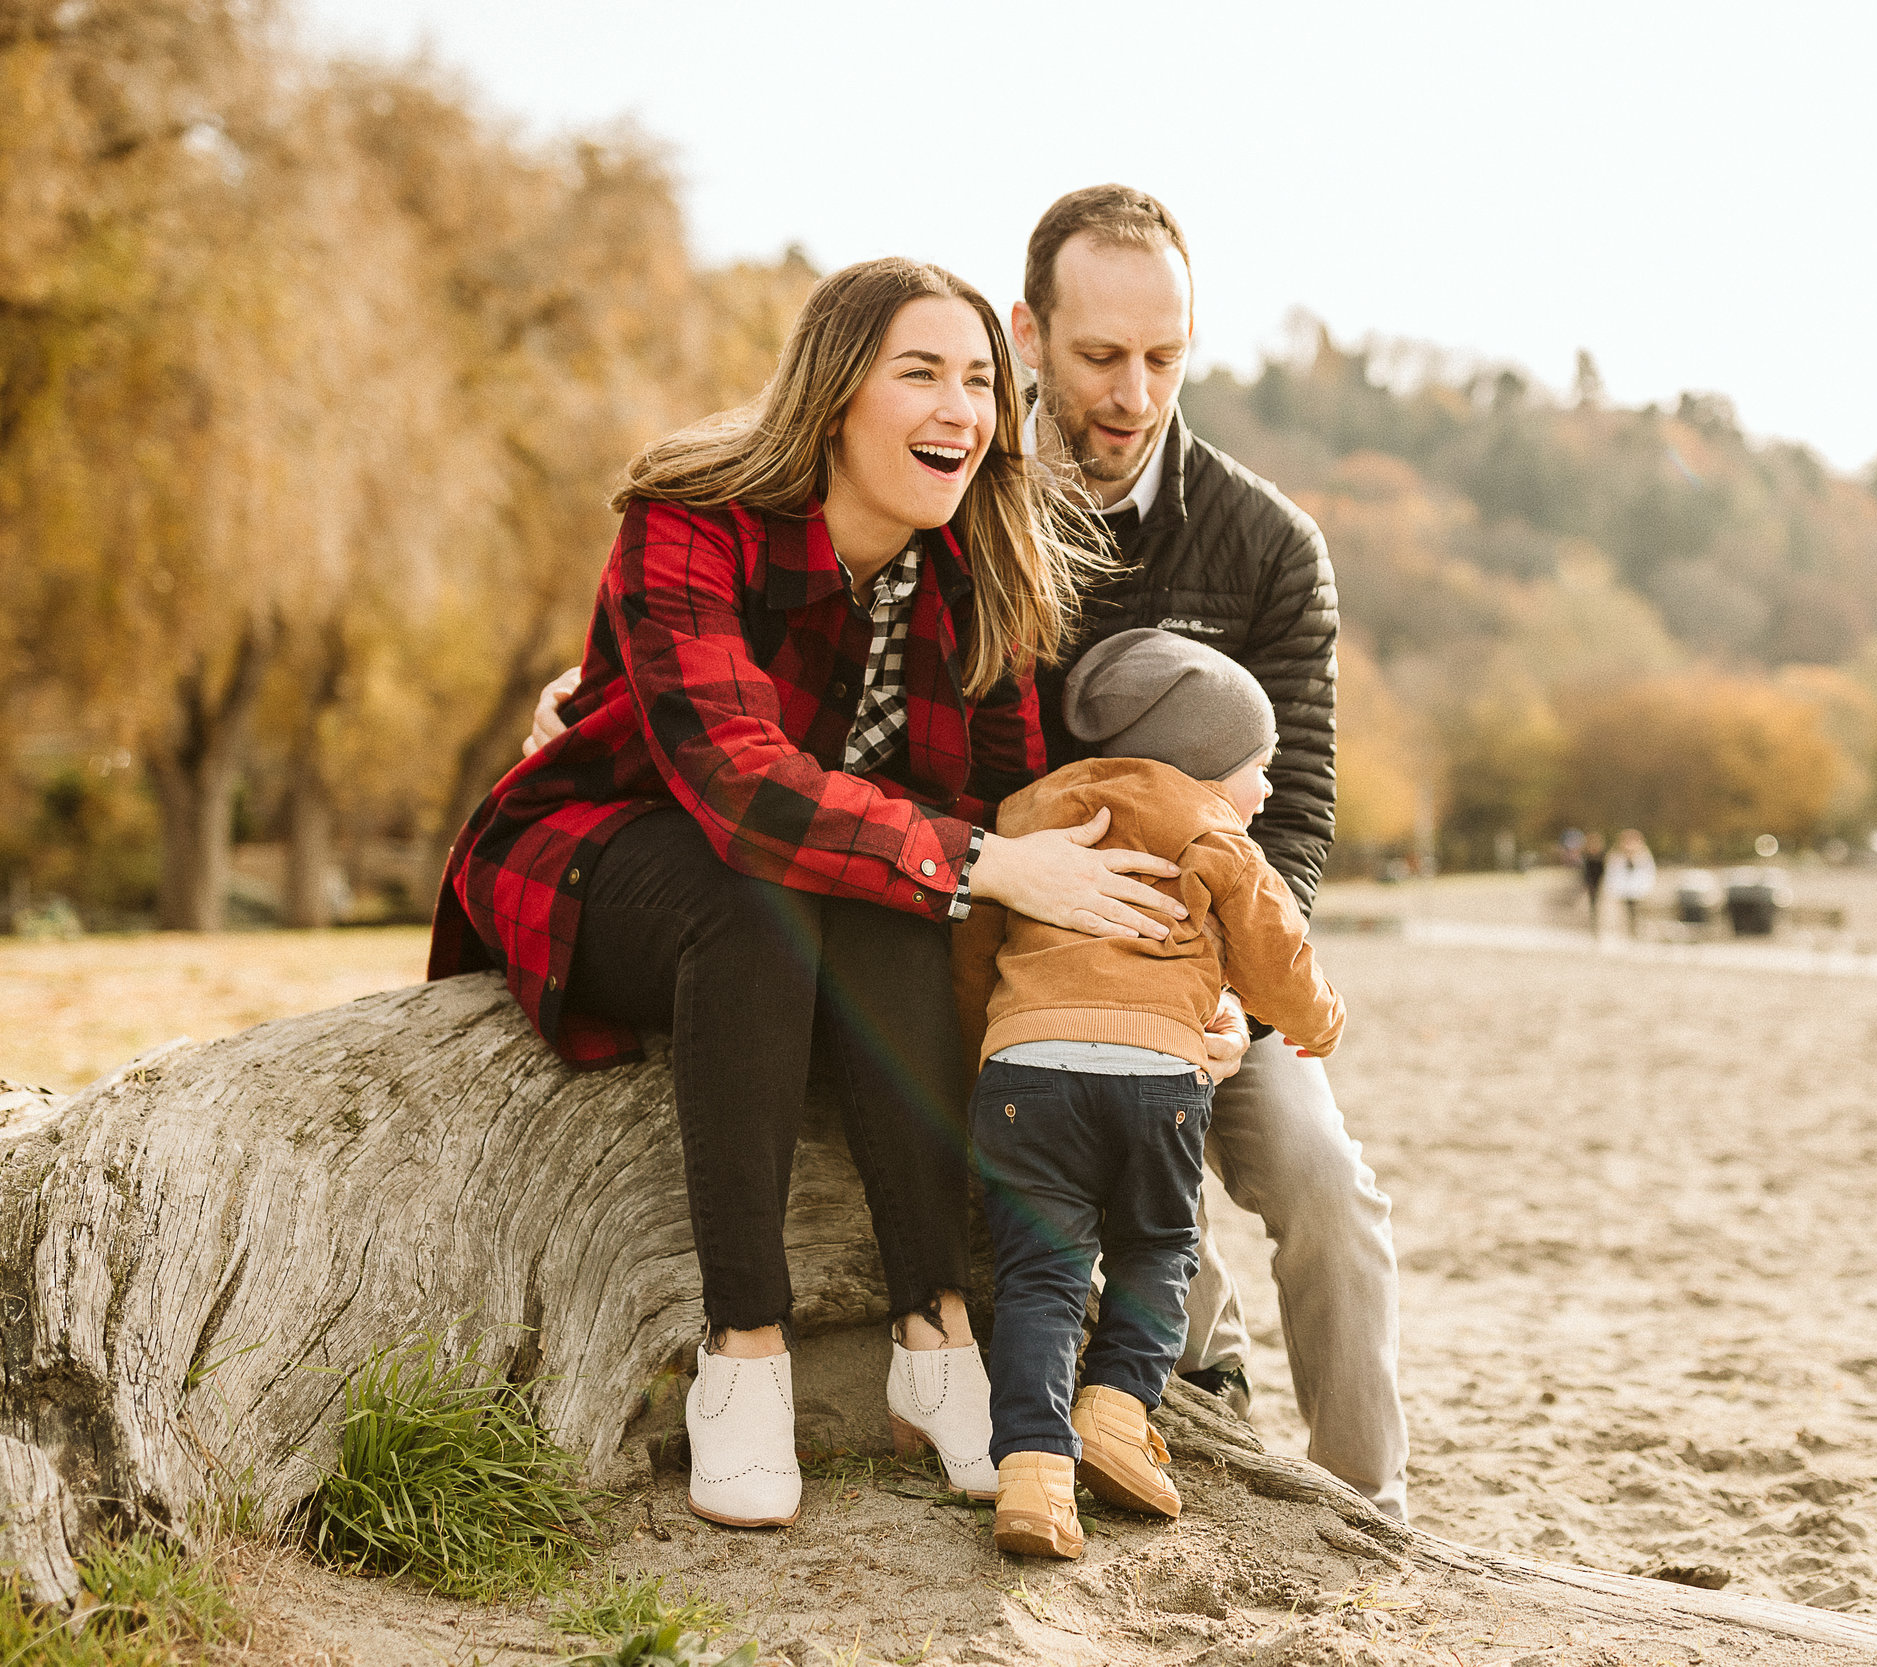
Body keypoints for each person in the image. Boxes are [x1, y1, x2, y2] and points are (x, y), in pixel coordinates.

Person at [527, 185, 1410, 1519]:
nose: (1132, 392)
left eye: (1164, 358)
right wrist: (614, 701)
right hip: (870, 891)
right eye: (1098, 356)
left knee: (1321, 1177)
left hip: (1182, 936)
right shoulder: (899, 509)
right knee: (930, 977)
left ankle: (1357, 1498)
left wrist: (1223, 972)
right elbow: (824, 774)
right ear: (1036, 334)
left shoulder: (1225, 546)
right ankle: (1114, 1374)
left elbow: (1268, 807)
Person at [429, 257, 1245, 1532]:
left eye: (979, 380)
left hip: (835, 888)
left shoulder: (984, 567)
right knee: (774, 883)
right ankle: (744, 1350)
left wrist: (1172, 986)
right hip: (613, 852)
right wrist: (976, 860)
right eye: (919, 372)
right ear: (832, 397)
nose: (960, 410)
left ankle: (937, 1339)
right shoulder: (688, 520)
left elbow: (1021, 815)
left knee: (892, 882)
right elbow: (741, 784)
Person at [958, 629, 1346, 1560]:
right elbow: (1273, 948)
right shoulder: (1206, 826)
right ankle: (1116, 1414)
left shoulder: (1024, 815)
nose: (1266, 790)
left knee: (1040, 1276)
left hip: (1025, 1073)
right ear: (1205, 762)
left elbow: (971, 950)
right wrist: (1318, 1019)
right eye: (1259, 767)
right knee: (1159, 1250)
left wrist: (990, 1039)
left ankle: (1034, 1477)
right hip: (1151, 1082)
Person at [1605, 829, 1656, 937]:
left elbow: (1649, 873)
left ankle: (1636, 932)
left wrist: (1646, 888)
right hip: (1623, 891)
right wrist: (1614, 889)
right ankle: (1626, 932)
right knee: (1625, 913)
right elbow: (1612, 874)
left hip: (1639, 891)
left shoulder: (1643, 857)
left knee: (1637, 913)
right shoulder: (1616, 857)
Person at [1580, 831, 1608, 932]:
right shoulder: (1586, 857)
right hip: (1590, 883)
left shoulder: (1603, 856)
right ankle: (1592, 925)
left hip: (1600, 883)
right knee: (1592, 904)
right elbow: (1584, 872)